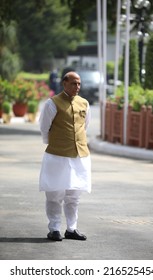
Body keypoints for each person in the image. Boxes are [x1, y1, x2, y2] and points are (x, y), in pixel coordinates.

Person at [39, 71, 91, 241]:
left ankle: (71, 228)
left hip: (79, 156)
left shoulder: (84, 103)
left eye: (79, 84)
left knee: (74, 195)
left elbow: (85, 126)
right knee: (55, 194)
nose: (77, 87)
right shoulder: (52, 103)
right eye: (73, 83)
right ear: (64, 84)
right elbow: (44, 127)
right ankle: (54, 228)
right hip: (57, 155)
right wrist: (54, 143)